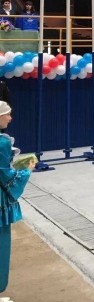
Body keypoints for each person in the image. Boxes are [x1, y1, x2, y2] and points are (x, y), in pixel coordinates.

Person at [0, 101, 35, 294]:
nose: (10, 118)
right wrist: (26, 171)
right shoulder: (2, 143)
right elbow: (5, 175)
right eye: (7, 114)